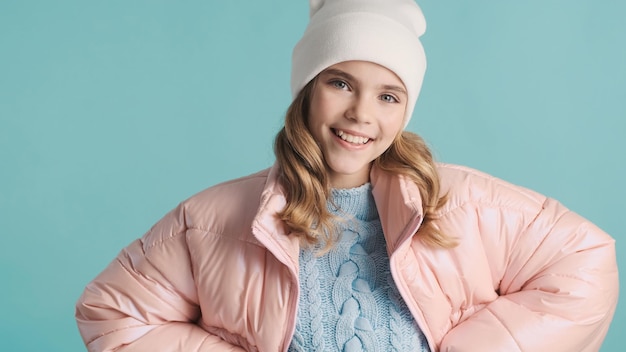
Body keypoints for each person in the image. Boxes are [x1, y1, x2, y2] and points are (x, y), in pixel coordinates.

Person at [75, 0, 619, 351]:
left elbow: (586, 261)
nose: (362, 113)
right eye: (340, 83)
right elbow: (112, 312)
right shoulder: (214, 219)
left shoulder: (459, 202)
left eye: (388, 95)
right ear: (306, 90)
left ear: (405, 110)